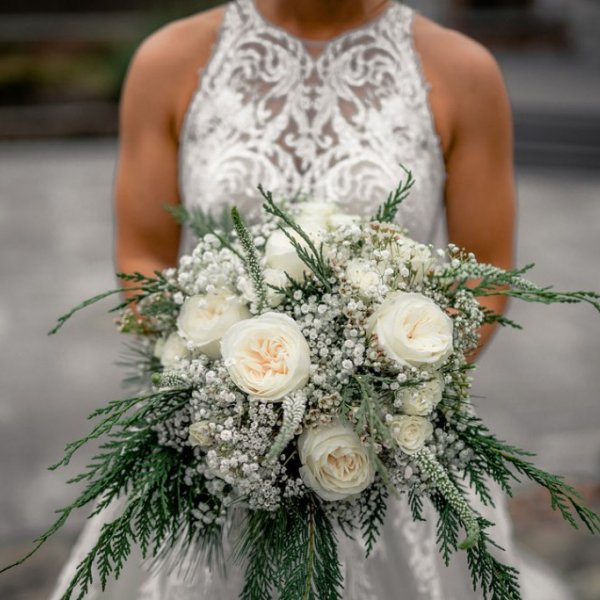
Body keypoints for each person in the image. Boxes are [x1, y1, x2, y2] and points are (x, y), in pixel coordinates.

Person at [51, 1, 573, 598]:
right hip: (214, 447)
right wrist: (228, 402)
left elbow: (486, 270)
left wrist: (379, 396)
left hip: (392, 447)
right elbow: (142, 256)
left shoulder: (463, 70)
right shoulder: (169, 60)